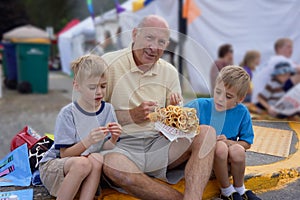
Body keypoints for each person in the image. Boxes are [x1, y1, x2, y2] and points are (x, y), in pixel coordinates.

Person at [101, 15, 216, 200]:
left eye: (161, 42)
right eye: (149, 38)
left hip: (158, 144)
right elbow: (91, 114)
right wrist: (131, 116)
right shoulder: (109, 63)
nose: (154, 47)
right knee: (112, 164)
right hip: (122, 146)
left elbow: (173, 129)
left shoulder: (169, 72)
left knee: (207, 134)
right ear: (134, 35)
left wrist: (171, 117)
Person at [39, 54, 122, 200]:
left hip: (84, 167)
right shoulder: (68, 113)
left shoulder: (108, 109)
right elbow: (64, 154)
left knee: (97, 158)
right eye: (92, 87)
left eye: (103, 86)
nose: (99, 92)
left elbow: (106, 147)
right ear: (77, 86)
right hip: (55, 167)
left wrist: (114, 138)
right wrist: (88, 141)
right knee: (82, 163)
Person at [185, 65, 261, 200]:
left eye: (228, 96)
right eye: (218, 92)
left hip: (226, 166)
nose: (220, 98)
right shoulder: (199, 105)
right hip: (203, 164)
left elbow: (247, 143)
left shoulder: (242, 112)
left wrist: (229, 142)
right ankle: (226, 190)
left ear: (240, 99)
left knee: (237, 149)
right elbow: (177, 115)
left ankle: (240, 189)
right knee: (219, 147)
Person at [252, 37, 300, 104]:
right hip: (264, 99)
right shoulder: (280, 59)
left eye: (292, 47)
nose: (291, 49)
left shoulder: (272, 60)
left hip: (258, 97)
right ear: (278, 48)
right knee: (298, 76)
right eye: (288, 47)